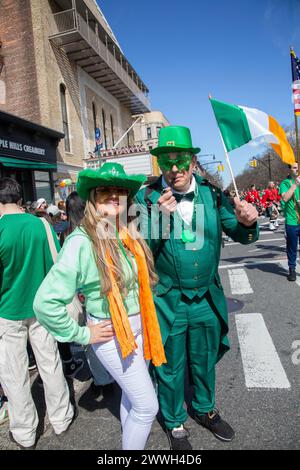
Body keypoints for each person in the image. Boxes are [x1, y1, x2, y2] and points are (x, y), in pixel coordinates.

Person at [135, 126, 259, 450]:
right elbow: (138, 250)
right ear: (159, 163)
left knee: (203, 359)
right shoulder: (145, 197)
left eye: (180, 160)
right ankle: (175, 422)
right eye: (166, 161)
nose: (173, 169)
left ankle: (204, 409)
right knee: (170, 365)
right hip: (168, 298)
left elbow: (237, 230)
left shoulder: (211, 193)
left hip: (205, 294)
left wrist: (248, 222)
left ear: (192, 161)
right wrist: (159, 218)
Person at [33, 163, 166, 450]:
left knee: (132, 400)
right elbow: (44, 303)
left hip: (139, 328)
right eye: (106, 190)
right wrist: (83, 335)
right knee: (147, 406)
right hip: (111, 334)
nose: (114, 196)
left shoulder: (127, 233)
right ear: (93, 196)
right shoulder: (81, 242)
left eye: (120, 191)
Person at [0, 177, 75, 449]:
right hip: (41, 307)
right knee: (50, 363)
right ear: (19, 199)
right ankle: (61, 417)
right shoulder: (41, 224)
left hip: (8, 311)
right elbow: (54, 266)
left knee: (14, 373)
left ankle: (24, 431)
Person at [279, 163, 300, 281]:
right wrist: (295, 185)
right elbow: (285, 198)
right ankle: (292, 269)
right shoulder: (285, 183)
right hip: (292, 221)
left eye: (297, 167)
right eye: (294, 167)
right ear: (289, 169)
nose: (296, 169)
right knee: (292, 247)